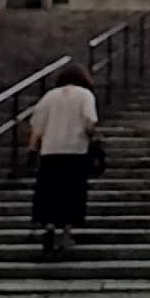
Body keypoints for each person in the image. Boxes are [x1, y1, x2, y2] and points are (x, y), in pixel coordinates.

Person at [28, 63, 99, 255]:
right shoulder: (85, 95)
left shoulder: (49, 96)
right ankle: (66, 232)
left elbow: (37, 127)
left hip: (50, 150)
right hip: (76, 151)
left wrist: (32, 150)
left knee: (50, 191)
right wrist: (93, 140)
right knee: (72, 193)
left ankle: (49, 225)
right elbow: (90, 121)